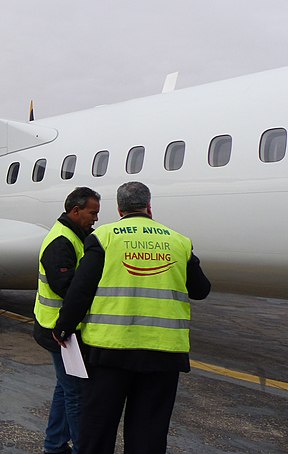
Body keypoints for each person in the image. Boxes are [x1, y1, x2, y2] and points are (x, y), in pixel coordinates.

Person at [53, 182, 211, 454]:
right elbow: (201, 289)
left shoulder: (105, 237)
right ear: (149, 206)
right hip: (164, 355)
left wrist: (64, 327)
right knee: (148, 434)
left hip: (110, 353)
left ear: (119, 209)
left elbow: (80, 289)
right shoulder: (178, 241)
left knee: (98, 429)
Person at [34, 187, 101, 454]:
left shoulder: (78, 235)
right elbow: (67, 287)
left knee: (65, 389)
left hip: (64, 329)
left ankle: (54, 445)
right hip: (59, 331)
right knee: (76, 395)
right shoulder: (61, 242)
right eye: (92, 212)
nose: (95, 218)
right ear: (75, 211)